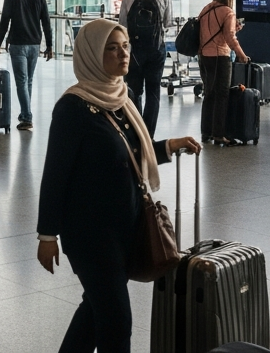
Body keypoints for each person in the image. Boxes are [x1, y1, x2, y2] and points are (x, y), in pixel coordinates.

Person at [36, 19, 201, 353]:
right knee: (116, 322)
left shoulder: (121, 97)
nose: (123, 54)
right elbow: (55, 175)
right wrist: (47, 236)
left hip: (126, 226)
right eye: (112, 48)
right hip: (90, 235)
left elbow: (132, 151)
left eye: (125, 46)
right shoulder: (73, 108)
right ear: (92, 54)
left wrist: (169, 146)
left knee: (95, 312)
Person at [0, 0, 54, 131]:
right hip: (34, 44)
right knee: (28, 81)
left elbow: (4, 22)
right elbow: (46, 23)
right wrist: (49, 45)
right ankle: (25, 113)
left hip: (18, 44)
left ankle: (27, 117)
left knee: (21, 81)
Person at [119, 0, 171, 136]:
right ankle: (149, 134)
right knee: (153, 91)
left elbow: (122, 25)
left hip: (134, 50)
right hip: (156, 49)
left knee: (134, 90)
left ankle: (136, 131)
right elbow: (167, 23)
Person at [197, 0, 251, 146]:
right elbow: (229, 37)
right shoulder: (228, 12)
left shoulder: (206, 9)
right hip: (220, 56)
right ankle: (219, 134)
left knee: (209, 94)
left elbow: (209, 32)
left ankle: (206, 132)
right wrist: (241, 54)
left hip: (203, 56)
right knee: (222, 95)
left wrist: (233, 30)